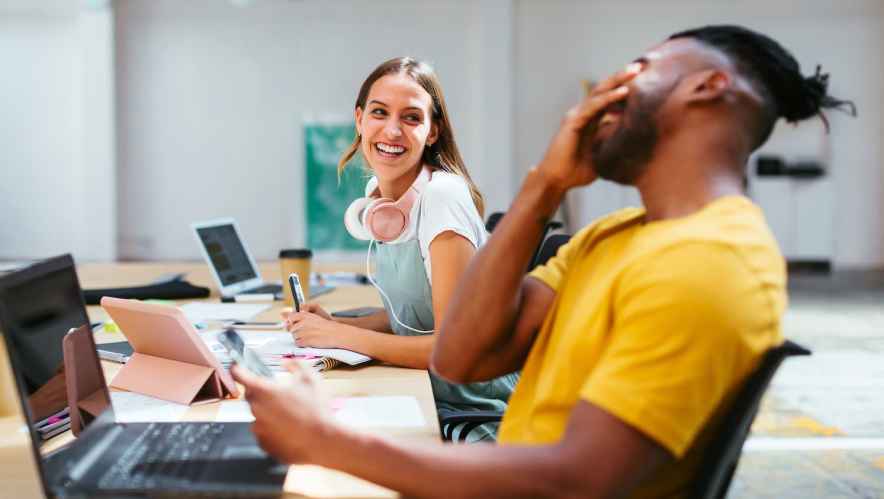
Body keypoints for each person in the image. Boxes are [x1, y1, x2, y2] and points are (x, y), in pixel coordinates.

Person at [233, 26, 855, 497]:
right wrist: (546, 184)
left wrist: (329, 442)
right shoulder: (611, 236)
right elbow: (461, 354)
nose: (609, 89)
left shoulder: (716, 262)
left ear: (707, 85)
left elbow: (579, 480)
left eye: (637, 69)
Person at [283, 56, 518, 441]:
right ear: (359, 120)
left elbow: (450, 347)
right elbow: (414, 316)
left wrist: (340, 338)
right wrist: (337, 324)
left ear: (432, 131)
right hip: (429, 394)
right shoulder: (384, 204)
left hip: (475, 413)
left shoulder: (442, 197)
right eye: (379, 112)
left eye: (411, 117)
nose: (392, 130)